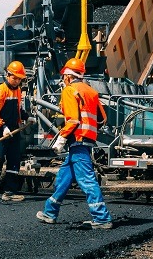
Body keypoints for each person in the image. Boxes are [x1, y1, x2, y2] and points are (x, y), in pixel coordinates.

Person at [36, 57, 113, 228]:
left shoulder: (70, 90)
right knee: (63, 178)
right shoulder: (91, 91)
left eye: (64, 76)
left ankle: (102, 218)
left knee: (87, 180)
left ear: (69, 76)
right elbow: (102, 119)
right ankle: (50, 212)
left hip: (77, 140)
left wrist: (61, 138)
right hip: (86, 139)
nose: (63, 79)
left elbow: (73, 120)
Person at [0, 60, 30, 202]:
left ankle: (9, 192)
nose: (17, 81)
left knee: (14, 160)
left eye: (19, 79)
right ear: (8, 75)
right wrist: (3, 127)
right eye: (14, 78)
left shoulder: (18, 90)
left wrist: (27, 117)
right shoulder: (0, 91)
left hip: (13, 131)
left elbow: (18, 109)